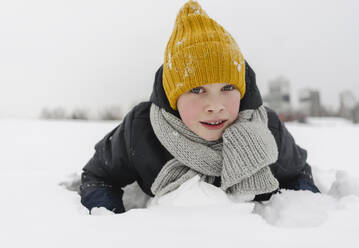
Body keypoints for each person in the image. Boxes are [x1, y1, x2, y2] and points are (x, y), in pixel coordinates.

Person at [80, 0, 320, 214]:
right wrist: (112, 225)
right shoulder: (141, 130)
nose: (215, 106)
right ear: (174, 97)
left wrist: (300, 218)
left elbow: (298, 174)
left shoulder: (266, 129)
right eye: (197, 90)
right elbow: (99, 177)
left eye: (227, 88)